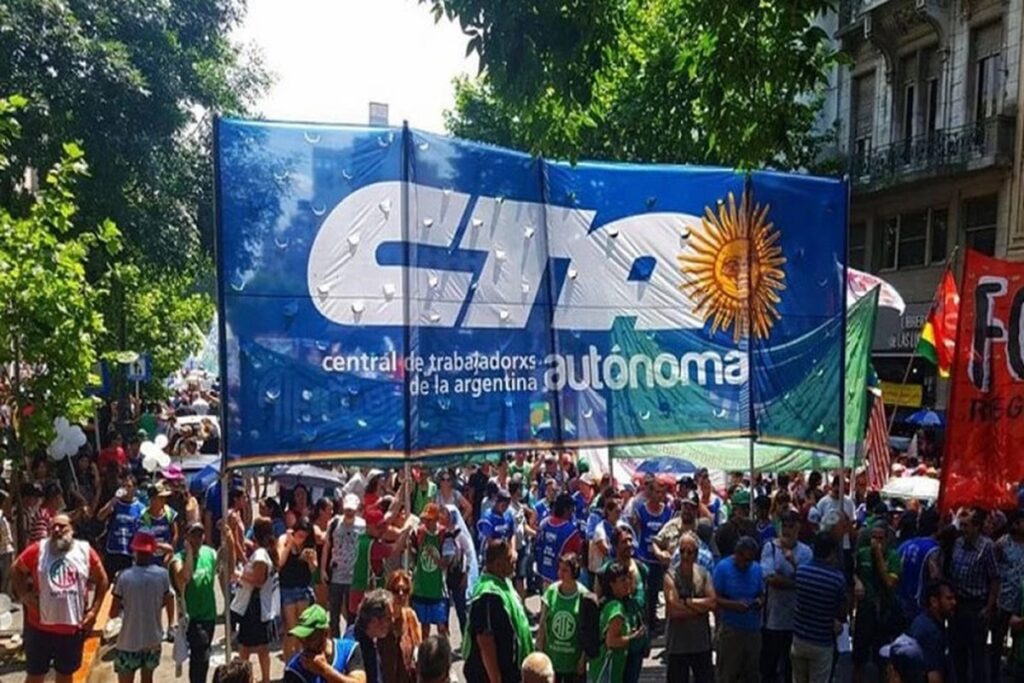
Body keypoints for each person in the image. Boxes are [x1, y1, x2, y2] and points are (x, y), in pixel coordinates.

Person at [11, 513, 109, 683]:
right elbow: (16, 569)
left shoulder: (85, 550)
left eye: (62, 526)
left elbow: (102, 580)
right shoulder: (38, 549)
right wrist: (24, 595)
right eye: (53, 527)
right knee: (35, 675)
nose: (57, 530)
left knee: (65, 675)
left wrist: (94, 611)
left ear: (72, 529)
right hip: (39, 627)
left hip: (71, 629)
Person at [463, 540, 533, 683]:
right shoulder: (488, 595)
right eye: (509, 559)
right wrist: (496, 679)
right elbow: (485, 640)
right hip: (490, 676)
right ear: (497, 564)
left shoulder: (503, 582)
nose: (514, 560)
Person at [110, 531, 174, 683]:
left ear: (135, 551)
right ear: (152, 551)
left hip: (128, 641)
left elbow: (113, 613)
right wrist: (168, 621)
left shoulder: (124, 576)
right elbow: (169, 599)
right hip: (152, 640)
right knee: (148, 679)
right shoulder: (162, 575)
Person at [760, 510, 812, 683]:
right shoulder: (770, 548)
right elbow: (770, 579)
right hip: (773, 620)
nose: (787, 530)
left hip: (796, 620)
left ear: (798, 528)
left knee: (792, 669)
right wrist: (794, 582)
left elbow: (806, 581)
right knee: (769, 666)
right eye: (785, 526)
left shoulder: (805, 552)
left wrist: (792, 563)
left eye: (791, 526)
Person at [948, 507, 999, 683]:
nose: (962, 529)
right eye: (961, 525)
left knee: (977, 654)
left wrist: (989, 606)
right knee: (958, 652)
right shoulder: (958, 543)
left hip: (976, 606)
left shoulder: (987, 547)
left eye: (966, 526)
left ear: (976, 527)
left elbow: (994, 578)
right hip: (957, 605)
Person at [791, 532, 848, 683]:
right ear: (832, 553)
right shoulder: (837, 579)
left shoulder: (801, 571)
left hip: (799, 638)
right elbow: (842, 609)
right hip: (821, 641)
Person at [231, 517, 280, 683]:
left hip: (255, 606)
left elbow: (259, 580)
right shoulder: (266, 551)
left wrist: (239, 575)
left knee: (245, 646)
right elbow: (244, 552)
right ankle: (262, 678)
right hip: (261, 606)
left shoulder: (260, 555)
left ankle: (245, 678)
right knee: (260, 647)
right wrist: (235, 532)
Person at [663, 531, 716, 683]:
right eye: (682, 551)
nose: (685, 555)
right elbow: (673, 610)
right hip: (677, 646)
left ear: (696, 554)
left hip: (701, 644)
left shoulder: (704, 574)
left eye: (689, 552)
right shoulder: (670, 576)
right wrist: (700, 608)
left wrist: (687, 602)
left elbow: (712, 603)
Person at [853, 518, 902, 681]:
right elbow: (852, 571)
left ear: (887, 540)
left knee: (881, 655)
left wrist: (879, 557)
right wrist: (857, 581)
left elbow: (890, 582)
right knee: (859, 654)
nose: (876, 542)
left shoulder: (894, 557)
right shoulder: (862, 553)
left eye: (881, 539)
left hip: (884, 610)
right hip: (865, 608)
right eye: (874, 538)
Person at [537, 554, 599, 683]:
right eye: (559, 569)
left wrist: (583, 659)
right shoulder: (552, 591)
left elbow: (588, 631)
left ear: (574, 572)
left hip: (574, 663)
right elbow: (543, 623)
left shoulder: (584, 596)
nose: (560, 573)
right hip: (552, 661)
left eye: (565, 570)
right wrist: (539, 651)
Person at [170, 521, 219, 683]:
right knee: (201, 655)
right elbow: (185, 577)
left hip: (209, 615)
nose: (197, 539)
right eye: (193, 535)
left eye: (200, 535)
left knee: (201, 658)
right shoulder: (178, 559)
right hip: (192, 618)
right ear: (186, 537)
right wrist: (190, 553)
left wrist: (231, 540)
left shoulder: (209, 553)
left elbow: (226, 567)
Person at [712, 535, 764, 682]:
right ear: (737, 554)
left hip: (753, 630)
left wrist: (758, 602)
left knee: (751, 673)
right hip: (731, 630)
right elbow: (715, 598)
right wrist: (734, 605)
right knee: (727, 673)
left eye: (750, 560)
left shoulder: (757, 569)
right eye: (745, 560)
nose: (747, 564)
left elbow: (762, 594)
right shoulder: (723, 568)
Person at [886, 579, 956, 683]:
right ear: (934, 602)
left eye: (954, 598)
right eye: (949, 598)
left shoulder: (922, 621)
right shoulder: (931, 633)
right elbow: (934, 677)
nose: (954, 602)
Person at [590, 561, 645, 683]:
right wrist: (633, 637)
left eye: (627, 579)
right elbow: (612, 641)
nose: (627, 583)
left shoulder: (608, 603)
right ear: (612, 584)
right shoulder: (616, 608)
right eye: (622, 580)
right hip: (608, 670)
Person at [630, 478, 672, 634]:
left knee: (665, 592)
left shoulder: (667, 512)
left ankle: (663, 623)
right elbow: (635, 530)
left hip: (660, 560)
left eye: (662, 492)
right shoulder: (641, 510)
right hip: (645, 558)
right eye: (656, 492)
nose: (659, 495)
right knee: (648, 593)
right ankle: (648, 623)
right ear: (650, 492)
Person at [283, 604, 366, 683]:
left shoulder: (348, 650)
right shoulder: (295, 670)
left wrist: (325, 670)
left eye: (310, 638)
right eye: (301, 639)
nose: (305, 644)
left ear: (326, 633)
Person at [324, 493, 365, 637]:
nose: (349, 513)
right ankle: (335, 640)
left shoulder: (362, 525)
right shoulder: (334, 523)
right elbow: (327, 545)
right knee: (334, 613)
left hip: (353, 575)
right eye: (347, 509)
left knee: (352, 613)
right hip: (336, 574)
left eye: (352, 510)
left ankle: (349, 639)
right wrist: (323, 569)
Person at [280, 516, 320, 662]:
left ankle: (298, 658)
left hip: (303, 588)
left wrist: (309, 560)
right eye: (299, 535)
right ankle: (288, 662)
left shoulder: (309, 546)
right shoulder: (284, 540)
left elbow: (314, 569)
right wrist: (290, 545)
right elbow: (280, 562)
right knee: (291, 630)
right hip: (287, 589)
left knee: (302, 629)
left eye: (305, 536)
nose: (301, 539)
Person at [993, 510, 1024, 681]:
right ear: (1015, 524)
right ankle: (995, 673)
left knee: (1018, 641)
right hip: (1003, 600)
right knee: (998, 639)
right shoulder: (1003, 543)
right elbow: (993, 568)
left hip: (1020, 603)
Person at [896, 509, 941, 626]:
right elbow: (935, 578)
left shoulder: (904, 546)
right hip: (920, 608)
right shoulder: (933, 549)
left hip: (900, 604)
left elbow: (895, 571)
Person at [410, 503, 449, 637]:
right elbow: (413, 554)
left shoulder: (443, 534)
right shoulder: (419, 533)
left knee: (441, 626)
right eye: (425, 519)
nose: (426, 522)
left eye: (430, 520)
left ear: (437, 519)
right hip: (421, 587)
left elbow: (445, 563)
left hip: (437, 588)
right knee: (424, 626)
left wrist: (435, 558)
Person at [440, 503, 478, 635]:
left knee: (461, 611)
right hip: (445, 577)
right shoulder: (442, 534)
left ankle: (465, 640)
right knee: (443, 612)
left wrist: (466, 575)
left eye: (445, 513)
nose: (442, 516)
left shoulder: (460, 534)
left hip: (458, 576)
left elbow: (468, 554)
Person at [98, 476, 144, 577]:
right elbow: (100, 516)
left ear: (135, 489)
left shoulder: (140, 507)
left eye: (129, 486)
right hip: (113, 550)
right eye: (123, 486)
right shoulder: (115, 504)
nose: (126, 489)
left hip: (129, 552)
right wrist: (113, 500)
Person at [382, 570, 423, 683]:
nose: (401, 594)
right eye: (396, 590)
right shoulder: (381, 619)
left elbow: (419, 648)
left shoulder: (411, 616)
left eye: (405, 590)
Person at [536, 493, 583, 587]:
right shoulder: (571, 531)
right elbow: (576, 555)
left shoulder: (545, 524)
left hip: (544, 573)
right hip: (562, 579)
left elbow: (538, 546)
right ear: (566, 509)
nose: (572, 512)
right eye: (571, 508)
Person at [350, 589, 397, 683]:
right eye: (388, 618)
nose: (392, 621)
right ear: (374, 621)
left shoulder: (368, 638)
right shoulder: (356, 648)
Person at [478, 487, 516, 551]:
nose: (505, 508)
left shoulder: (508, 514)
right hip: (491, 554)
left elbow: (512, 534)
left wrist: (513, 550)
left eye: (507, 506)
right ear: (497, 502)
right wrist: (502, 542)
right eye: (503, 505)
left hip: (505, 552)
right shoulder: (488, 517)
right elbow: (488, 541)